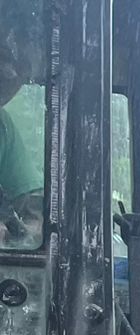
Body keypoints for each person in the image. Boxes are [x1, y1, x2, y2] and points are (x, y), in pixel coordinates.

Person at [0, 13, 45, 248]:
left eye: (23, 69)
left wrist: (18, 235)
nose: (11, 74)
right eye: (4, 58)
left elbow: (34, 214)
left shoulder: (2, 128)